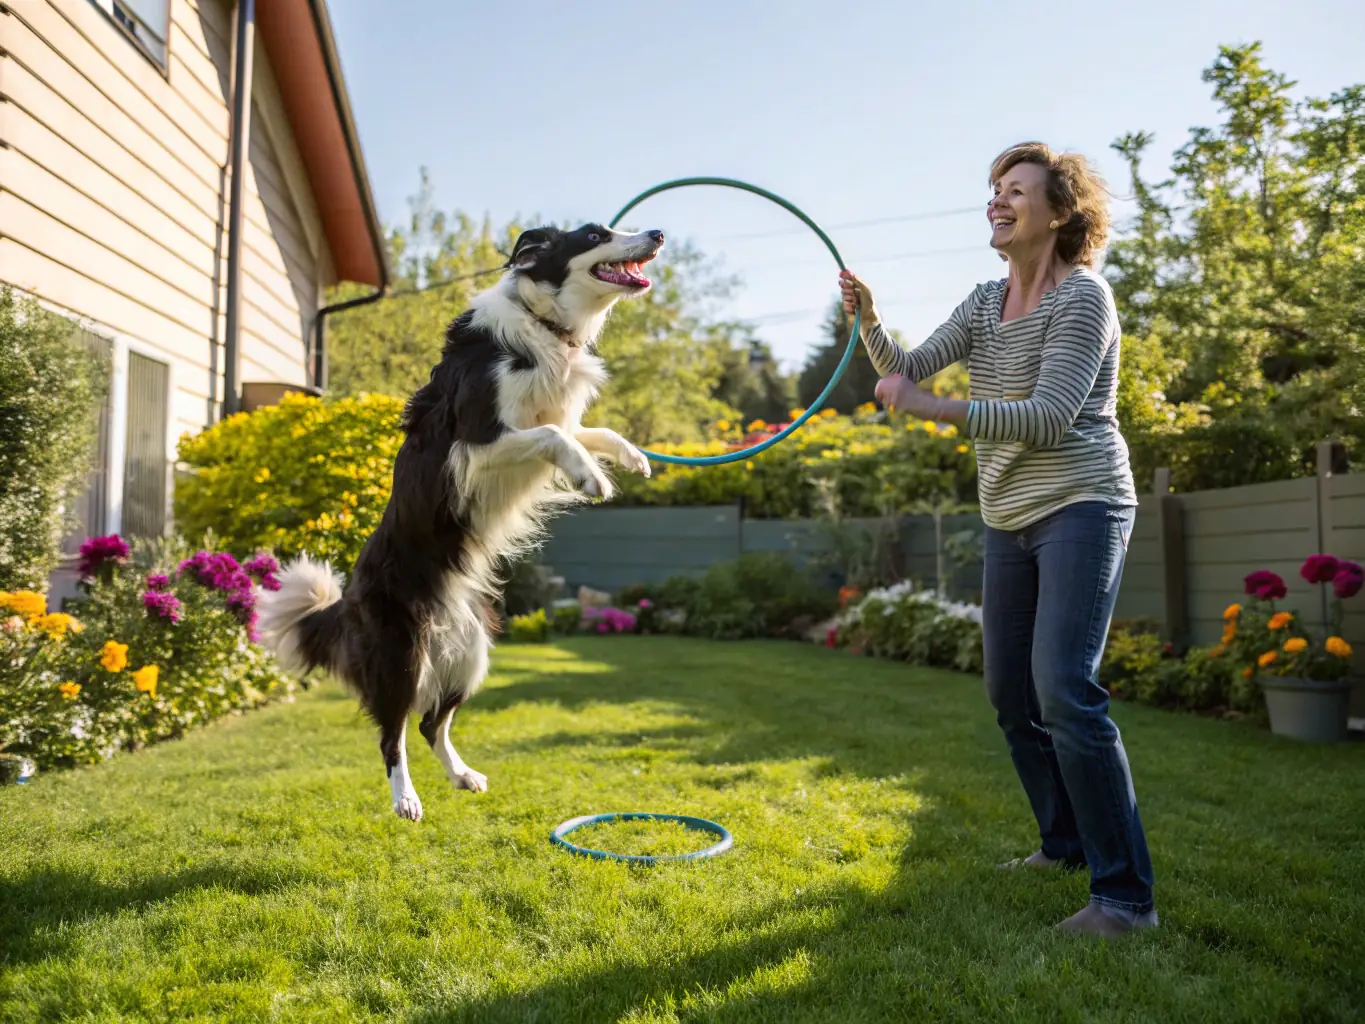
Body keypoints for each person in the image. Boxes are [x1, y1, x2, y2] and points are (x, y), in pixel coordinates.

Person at [837, 141, 1156, 938]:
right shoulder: (984, 302)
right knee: (1008, 695)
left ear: (1059, 213)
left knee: (1063, 690)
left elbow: (1048, 416)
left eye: (1016, 191)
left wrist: (925, 408)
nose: (998, 201)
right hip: (1007, 515)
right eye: (994, 190)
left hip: (1082, 503)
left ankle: (1125, 900)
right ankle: (1063, 845)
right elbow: (907, 368)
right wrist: (871, 322)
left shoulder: (1081, 300)